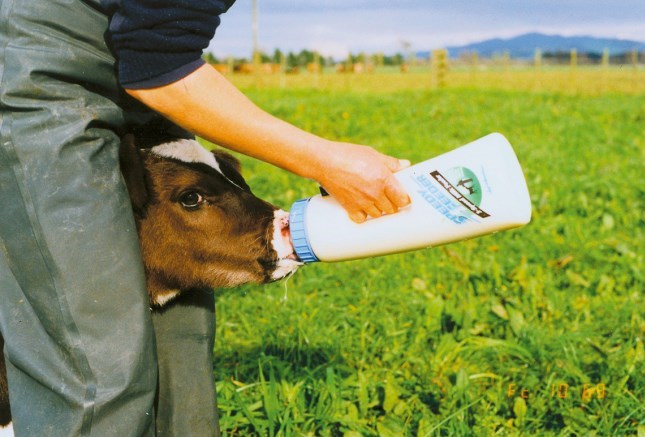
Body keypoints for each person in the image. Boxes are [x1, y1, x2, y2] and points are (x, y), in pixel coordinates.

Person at [0, 0, 410, 435]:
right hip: (49, 81)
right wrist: (324, 159)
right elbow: (155, 62)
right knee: (93, 360)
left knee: (180, 356)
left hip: (139, 83)